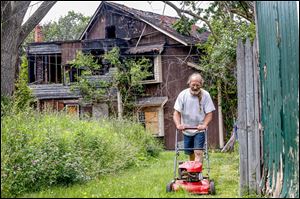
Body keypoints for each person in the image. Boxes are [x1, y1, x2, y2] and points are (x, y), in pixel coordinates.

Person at [173, 73, 215, 163]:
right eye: (193, 85)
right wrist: (178, 125)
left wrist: (204, 125)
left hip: (199, 129)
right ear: (189, 83)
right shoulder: (183, 95)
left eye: (197, 85)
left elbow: (209, 114)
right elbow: (176, 113)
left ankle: (198, 173)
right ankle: (193, 171)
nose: (195, 87)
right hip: (186, 130)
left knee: (198, 152)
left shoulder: (205, 95)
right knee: (190, 153)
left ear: (201, 84)